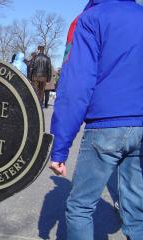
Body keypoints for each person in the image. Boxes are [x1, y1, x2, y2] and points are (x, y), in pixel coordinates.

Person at [49, 1, 143, 240]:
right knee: (136, 211)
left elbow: (76, 85)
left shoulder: (90, 19)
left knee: (80, 208)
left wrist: (60, 147)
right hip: (140, 122)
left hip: (106, 124)